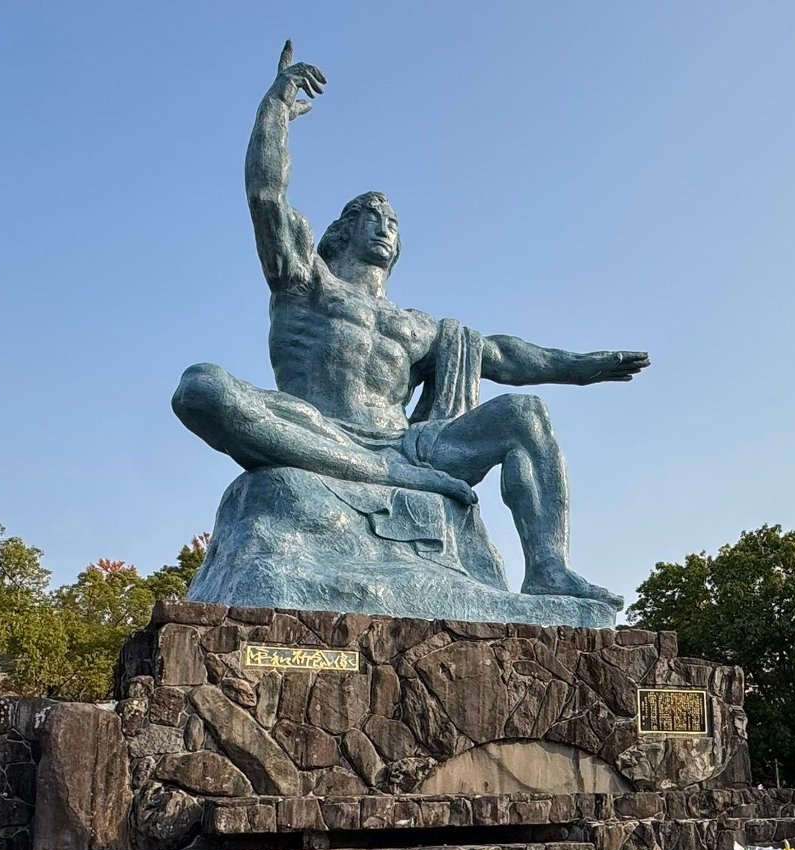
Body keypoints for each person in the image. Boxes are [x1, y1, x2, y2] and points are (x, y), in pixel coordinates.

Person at [171, 42, 650, 609]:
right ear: (342, 231)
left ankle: (549, 568)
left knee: (526, 414)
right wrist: (275, 108)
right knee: (201, 387)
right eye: (374, 218)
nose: (386, 229)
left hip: (410, 447)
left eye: (393, 223)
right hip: (318, 428)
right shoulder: (305, 281)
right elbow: (266, 195)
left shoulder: (417, 326)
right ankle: (376, 472)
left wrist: (581, 367)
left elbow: (503, 356)